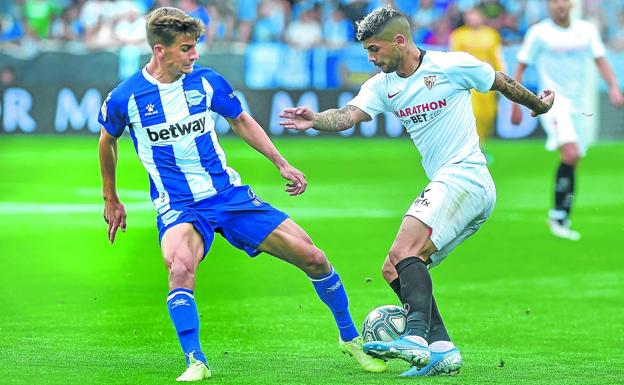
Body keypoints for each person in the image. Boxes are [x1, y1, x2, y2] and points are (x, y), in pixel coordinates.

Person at [97, 7, 385, 382]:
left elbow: (241, 120)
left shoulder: (207, 82)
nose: (194, 55)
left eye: (195, 47)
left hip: (227, 195)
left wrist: (281, 163)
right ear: (160, 50)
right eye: (186, 48)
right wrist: (110, 197)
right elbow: (108, 140)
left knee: (313, 257)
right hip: (179, 205)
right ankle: (195, 360)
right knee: (181, 268)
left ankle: (350, 338)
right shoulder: (126, 97)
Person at [279, 6, 554, 377]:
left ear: (399, 41)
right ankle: (442, 349)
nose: (372, 59)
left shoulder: (451, 65)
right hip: (454, 185)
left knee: (404, 250)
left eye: (375, 50)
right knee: (394, 267)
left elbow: (501, 81)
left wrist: (539, 105)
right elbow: (348, 115)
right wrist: (315, 120)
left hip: (466, 176)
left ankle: (415, 337)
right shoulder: (383, 85)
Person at [512, 0, 624, 241]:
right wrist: (516, 103)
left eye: (563, 1)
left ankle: (562, 215)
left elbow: (600, 59)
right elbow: (520, 67)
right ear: (549, 6)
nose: (559, 5)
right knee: (570, 153)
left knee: (574, 159)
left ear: (571, 5)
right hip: (552, 103)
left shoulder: (586, 30)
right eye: (554, 2)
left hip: (580, 105)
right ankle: (557, 215)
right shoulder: (539, 33)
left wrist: (614, 87)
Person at [449, 7, 506, 156]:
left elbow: (497, 56)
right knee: (472, 113)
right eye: (470, 15)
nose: (473, 19)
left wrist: (503, 75)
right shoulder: (459, 35)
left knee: (487, 115)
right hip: (467, 82)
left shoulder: (491, 34)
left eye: (476, 15)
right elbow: (453, 57)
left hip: (487, 80)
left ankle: (482, 143)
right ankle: (474, 147)